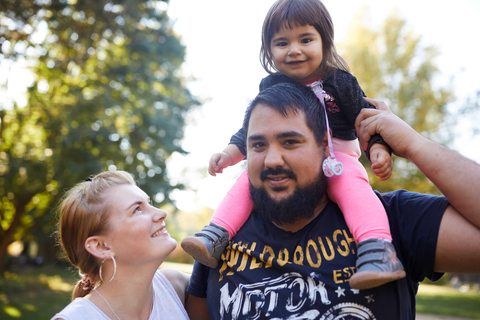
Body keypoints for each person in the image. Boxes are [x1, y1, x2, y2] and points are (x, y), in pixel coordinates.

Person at [184, 82, 480, 320]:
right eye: (258, 145)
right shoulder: (217, 242)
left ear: (325, 146)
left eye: (290, 142)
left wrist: (415, 144)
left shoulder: (393, 221)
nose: (272, 160)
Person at [181, 0, 402, 290]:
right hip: (285, 157)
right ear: (269, 50)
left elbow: (365, 117)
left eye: (306, 39)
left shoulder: (340, 82)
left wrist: (378, 148)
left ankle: (377, 250)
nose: (294, 49)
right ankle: (216, 235)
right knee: (249, 180)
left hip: (336, 157)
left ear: (324, 40)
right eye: (282, 43)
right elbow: (252, 129)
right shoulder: (271, 87)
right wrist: (229, 154)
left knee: (352, 186)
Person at [51, 171, 192, 320]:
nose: (162, 213)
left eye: (149, 203)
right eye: (137, 209)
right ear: (101, 246)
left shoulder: (175, 285)